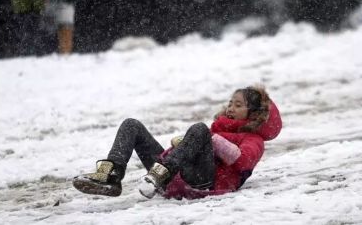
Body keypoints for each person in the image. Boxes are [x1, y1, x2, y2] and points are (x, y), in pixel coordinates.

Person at [72, 85, 282, 200]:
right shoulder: (217, 127)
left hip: (203, 182)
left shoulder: (253, 138)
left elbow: (244, 161)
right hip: (176, 175)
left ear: (252, 113)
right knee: (131, 125)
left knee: (199, 128)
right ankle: (112, 176)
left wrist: (212, 140)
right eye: (230, 103)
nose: (230, 107)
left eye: (238, 105)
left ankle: (160, 174)